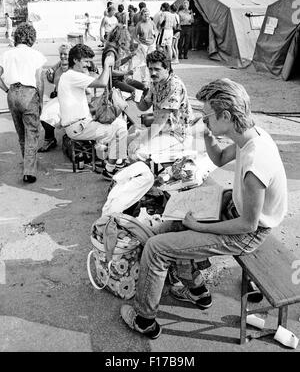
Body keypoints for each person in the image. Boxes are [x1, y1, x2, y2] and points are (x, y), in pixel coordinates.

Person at [120, 78, 288, 339]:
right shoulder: (250, 137)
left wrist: (198, 226)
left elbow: (248, 225)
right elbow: (220, 158)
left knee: (156, 248)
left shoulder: (257, 161)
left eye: (207, 115)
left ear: (226, 115)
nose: (203, 119)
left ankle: (144, 318)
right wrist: (209, 137)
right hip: (234, 208)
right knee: (173, 220)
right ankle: (195, 287)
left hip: (247, 233)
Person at [57, 43, 128, 180]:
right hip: (79, 127)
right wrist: (107, 65)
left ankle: (116, 160)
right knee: (121, 129)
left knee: (118, 124)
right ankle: (111, 168)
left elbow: (88, 94)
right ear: (76, 60)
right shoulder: (72, 76)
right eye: (85, 61)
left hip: (79, 125)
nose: (88, 65)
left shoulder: (69, 76)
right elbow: (102, 82)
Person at [0, 23, 47, 183]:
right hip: (29, 93)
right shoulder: (36, 55)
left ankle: (28, 163)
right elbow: (39, 81)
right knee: (32, 132)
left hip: (12, 92)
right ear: (31, 37)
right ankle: (29, 171)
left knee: (21, 133)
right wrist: (40, 100)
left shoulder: (7, 54)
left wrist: (7, 90)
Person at [128, 50, 194, 163]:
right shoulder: (155, 82)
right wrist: (137, 100)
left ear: (167, 69)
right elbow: (144, 106)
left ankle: (146, 177)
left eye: (157, 69)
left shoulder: (174, 85)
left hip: (177, 134)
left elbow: (161, 120)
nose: (153, 72)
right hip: (162, 130)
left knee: (137, 151)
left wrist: (140, 141)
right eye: (150, 69)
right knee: (125, 141)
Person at [38, 43, 71, 152]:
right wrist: (50, 76)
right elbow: (53, 80)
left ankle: (50, 139)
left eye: (65, 54)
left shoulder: (73, 67)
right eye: (61, 54)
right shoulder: (59, 65)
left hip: (69, 100)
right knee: (43, 114)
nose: (62, 56)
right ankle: (50, 139)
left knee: (47, 115)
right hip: (59, 97)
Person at [101, 24, 147, 96]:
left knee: (143, 87)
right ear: (121, 39)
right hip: (114, 81)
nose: (126, 42)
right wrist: (127, 72)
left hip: (120, 78)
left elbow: (116, 64)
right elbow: (110, 71)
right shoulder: (111, 52)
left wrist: (128, 57)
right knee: (136, 92)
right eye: (125, 39)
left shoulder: (114, 49)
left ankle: (143, 105)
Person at [134, 8, 157, 84]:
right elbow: (134, 36)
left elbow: (156, 31)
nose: (147, 16)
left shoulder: (152, 23)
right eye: (145, 15)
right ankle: (143, 78)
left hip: (151, 44)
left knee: (153, 61)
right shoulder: (139, 24)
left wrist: (155, 39)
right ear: (142, 15)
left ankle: (153, 77)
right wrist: (139, 43)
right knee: (142, 62)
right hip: (143, 44)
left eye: (148, 14)